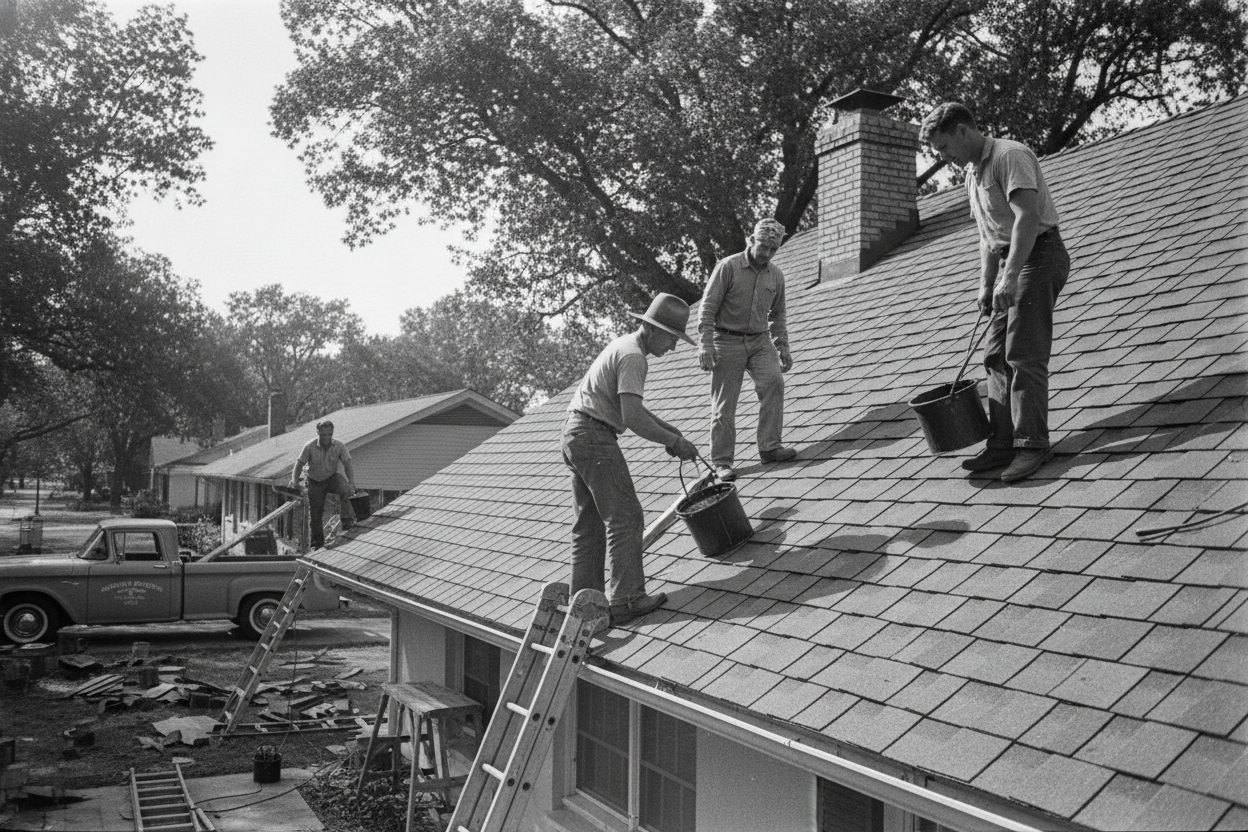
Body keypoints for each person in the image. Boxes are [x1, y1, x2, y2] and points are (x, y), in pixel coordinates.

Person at [919, 102, 1071, 483]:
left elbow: (1027, 217)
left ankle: (1032, 444)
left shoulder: (1009, 156)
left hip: (1040, 256)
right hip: (1012, 263)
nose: (944, 158)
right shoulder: (973, 176)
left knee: (1023, 352)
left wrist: (1011, 275)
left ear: (962, 131)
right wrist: (986, 284)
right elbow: (987, 237)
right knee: (994, 355)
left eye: (944, 147)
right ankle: (1002, 444)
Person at [563, 293, 700, 627]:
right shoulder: (635, 357)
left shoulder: (623, 345)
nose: (674, 346)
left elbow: (632, 407)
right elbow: (632, 417)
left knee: (589, 526)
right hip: (594, 437)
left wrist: (669, 430)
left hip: (574, 434)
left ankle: (585, 606)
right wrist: (674, 442)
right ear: (651, 328)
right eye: (671, 337)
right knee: (626, 516)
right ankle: (626, 600)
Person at [697, 217, 796, 482]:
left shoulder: (776, 276)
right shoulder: (727, 267)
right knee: (725, 403)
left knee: (774, 381)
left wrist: (783, 346)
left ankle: (770, 447)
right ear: (750, 240)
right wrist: (706, 343)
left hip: (759, 340)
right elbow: (707, 308)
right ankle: (722, 462)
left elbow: (778, 315)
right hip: (726, 339)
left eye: (773, 249)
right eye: (763, 246)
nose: (767, 253)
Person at [290, 420, 358, 549]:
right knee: (316, 513)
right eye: (323, 435)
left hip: (331, 478)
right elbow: (299, 464)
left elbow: (347, 464)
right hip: (314, 480)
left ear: (332, 433)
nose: (326, 438)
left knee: (346, 489)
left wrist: (352, 482)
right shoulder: (309, 446)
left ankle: (347, 521)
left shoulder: (339, 446)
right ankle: (317, 543)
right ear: (318, 433)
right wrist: (294, 480)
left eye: (329, 435)